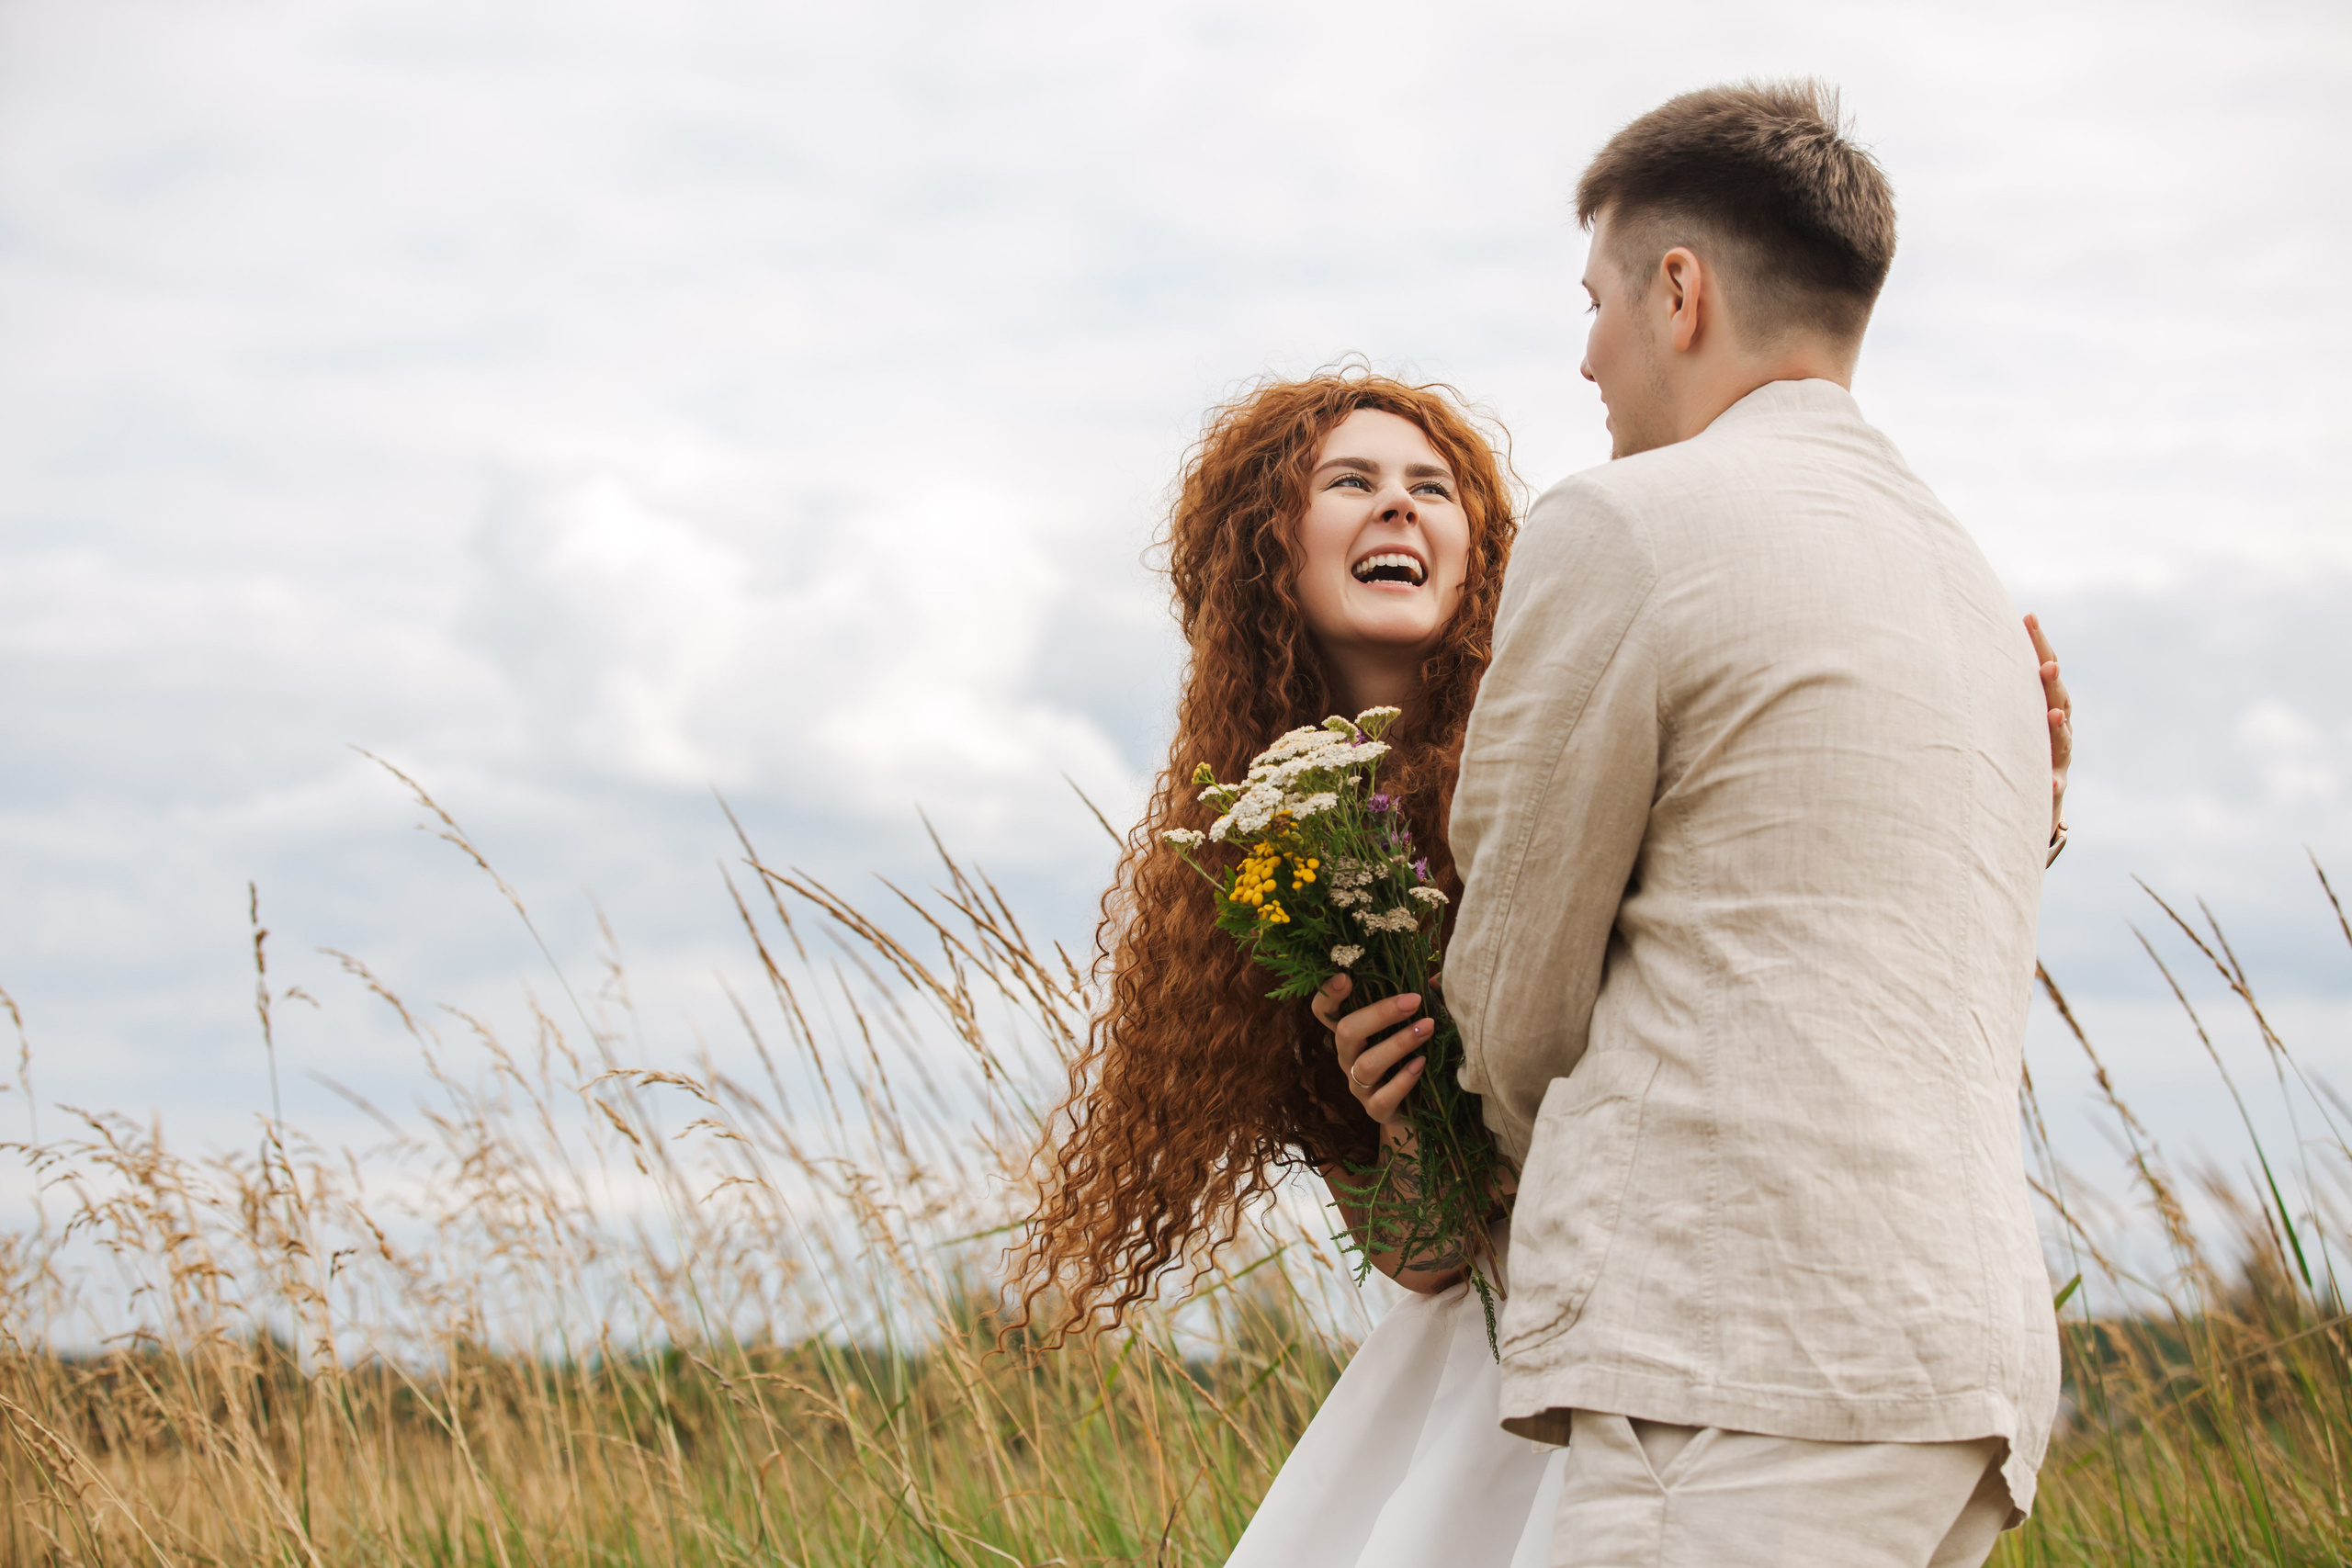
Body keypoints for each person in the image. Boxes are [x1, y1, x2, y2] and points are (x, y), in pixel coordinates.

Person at [1012, 364, 2074, 1562]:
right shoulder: (1269, 863)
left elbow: (1789, 906)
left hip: (1689, 1299)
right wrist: (1405, 1125)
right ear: (1265, 552)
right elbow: (1420, 1260)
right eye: (1350, 483)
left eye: (1433, 487)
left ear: (1480, 545)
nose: (1400, 507)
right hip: (1491, 1350)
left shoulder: (1583, 693)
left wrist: (2011, 803)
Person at [1442, 81, 2068, 1567]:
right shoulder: (1972, 590)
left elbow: (1512, 984)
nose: (1585, 354)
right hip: (1954, 1375)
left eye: (1594, 300)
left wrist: (1508, 1155)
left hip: (1736, 1352)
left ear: (1680, 290)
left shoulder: (1631, 525)